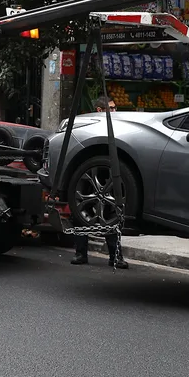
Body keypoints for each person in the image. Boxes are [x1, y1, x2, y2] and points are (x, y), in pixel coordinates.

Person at [72, 97, 127, 270]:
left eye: (115, 108)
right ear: (99, 110)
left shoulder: (118, 126)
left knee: (110, 212)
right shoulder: (88, 125)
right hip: (89, 173)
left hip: (108, 174)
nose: (115, 111)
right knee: (82, 211)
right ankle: (81, 253)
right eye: (111, 108)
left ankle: (115, 256)